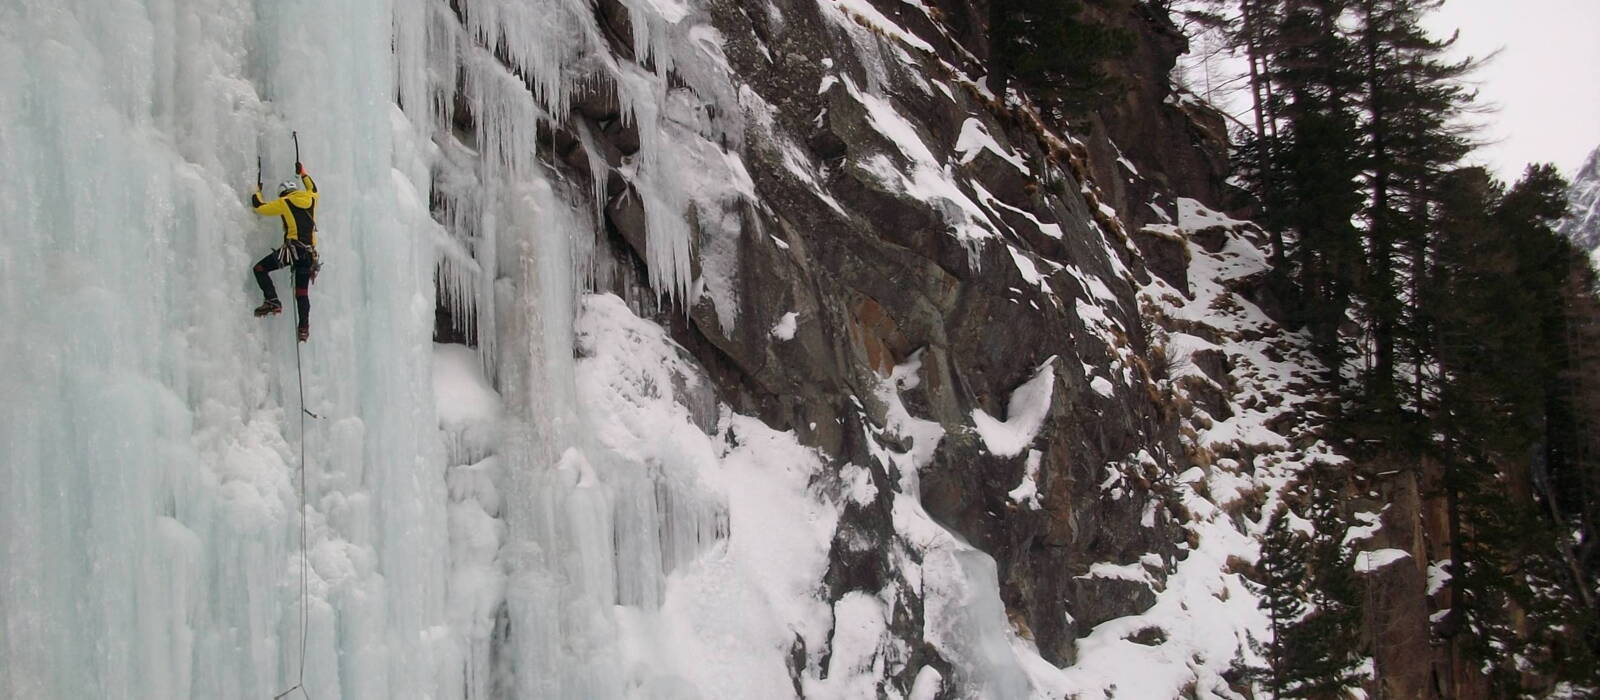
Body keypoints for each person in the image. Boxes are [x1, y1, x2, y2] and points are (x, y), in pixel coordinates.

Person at [250, 162, 320, 342]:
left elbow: (259, 206)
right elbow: (313, 187)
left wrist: (257, 190)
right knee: (302, 293)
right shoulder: (311, 199)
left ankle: (272, 300)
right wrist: (303, 172)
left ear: (283, 193)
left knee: (260, 269)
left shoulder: (284, 202)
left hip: (293, 252)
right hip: (309, 256)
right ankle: (304, 327)